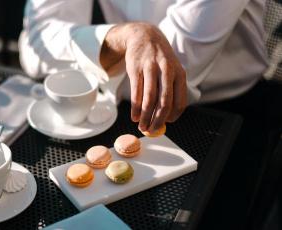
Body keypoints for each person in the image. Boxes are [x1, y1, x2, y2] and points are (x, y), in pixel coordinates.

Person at [19, 1, 280, 229]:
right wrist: (122, 37)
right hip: (123, 111)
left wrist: (95, 55)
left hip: (231, 117)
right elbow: (35, 46)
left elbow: (172, 73)